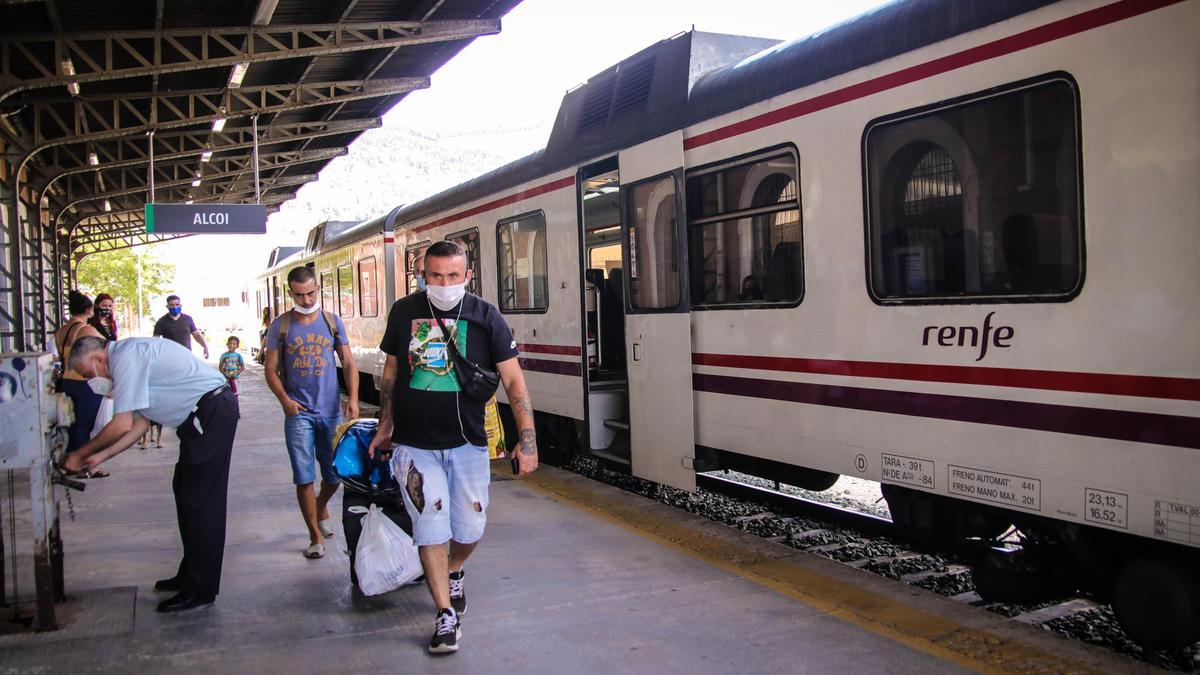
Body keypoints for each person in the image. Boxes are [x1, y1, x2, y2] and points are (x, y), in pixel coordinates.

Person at [368, 240, 538, 656]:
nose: (444, 284)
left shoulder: (485, 317)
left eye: (452, 276)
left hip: (467, 441)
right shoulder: (405, 312)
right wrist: (386, 422)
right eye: (435, 276)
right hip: (414, 442)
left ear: (467, 276)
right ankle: (445, 615)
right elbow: (391, 371)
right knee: (431, 521)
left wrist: (527, 441)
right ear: (423, 275)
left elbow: (515, 383)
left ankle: (455, 568)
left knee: (470, 529)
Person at [62, 335, 239, 613]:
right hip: (201, 417)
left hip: (210, 412)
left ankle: (201, 588)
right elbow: (140, 425)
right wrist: (100, 456)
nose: (90, 380)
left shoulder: (125, 358)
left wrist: (79, 454)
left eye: (87, 373)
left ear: (97, 359)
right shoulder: (129, 359)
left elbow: (120, 424)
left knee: (201, 501)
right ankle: (191, 573)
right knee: (185, 491)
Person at [264, 267, 359, 559]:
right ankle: (314, 536)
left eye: (311, 293)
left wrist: (353, 398)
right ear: (290, 293)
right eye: (300, 295)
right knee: (304, 476)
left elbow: (349, 362)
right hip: (298, 414)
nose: (306, 300)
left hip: (330, 412)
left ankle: (320, 506)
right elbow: (270, 370)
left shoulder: (332, 322)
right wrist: (284, 400)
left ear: (318, 289)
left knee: (335, 475)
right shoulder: (281, 326)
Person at [54, 291, 110, 476]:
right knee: (85, 425)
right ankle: (82, 464)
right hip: (86, 381)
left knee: (72, 424)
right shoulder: (87, 330)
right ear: (88, 309)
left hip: (67, 381)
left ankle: (70, 461)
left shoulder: (61, 331)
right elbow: (104, 352)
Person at [153, 295, 209, 360]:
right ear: (167, 306)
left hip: (186, 356)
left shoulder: (188, 319)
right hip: (169, 358)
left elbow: (196, 335)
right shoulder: (161, 322)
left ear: (180, 305)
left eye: (177, 304)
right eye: (171, 305)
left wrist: (205, 347)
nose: (175, 307)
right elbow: (155, 340)